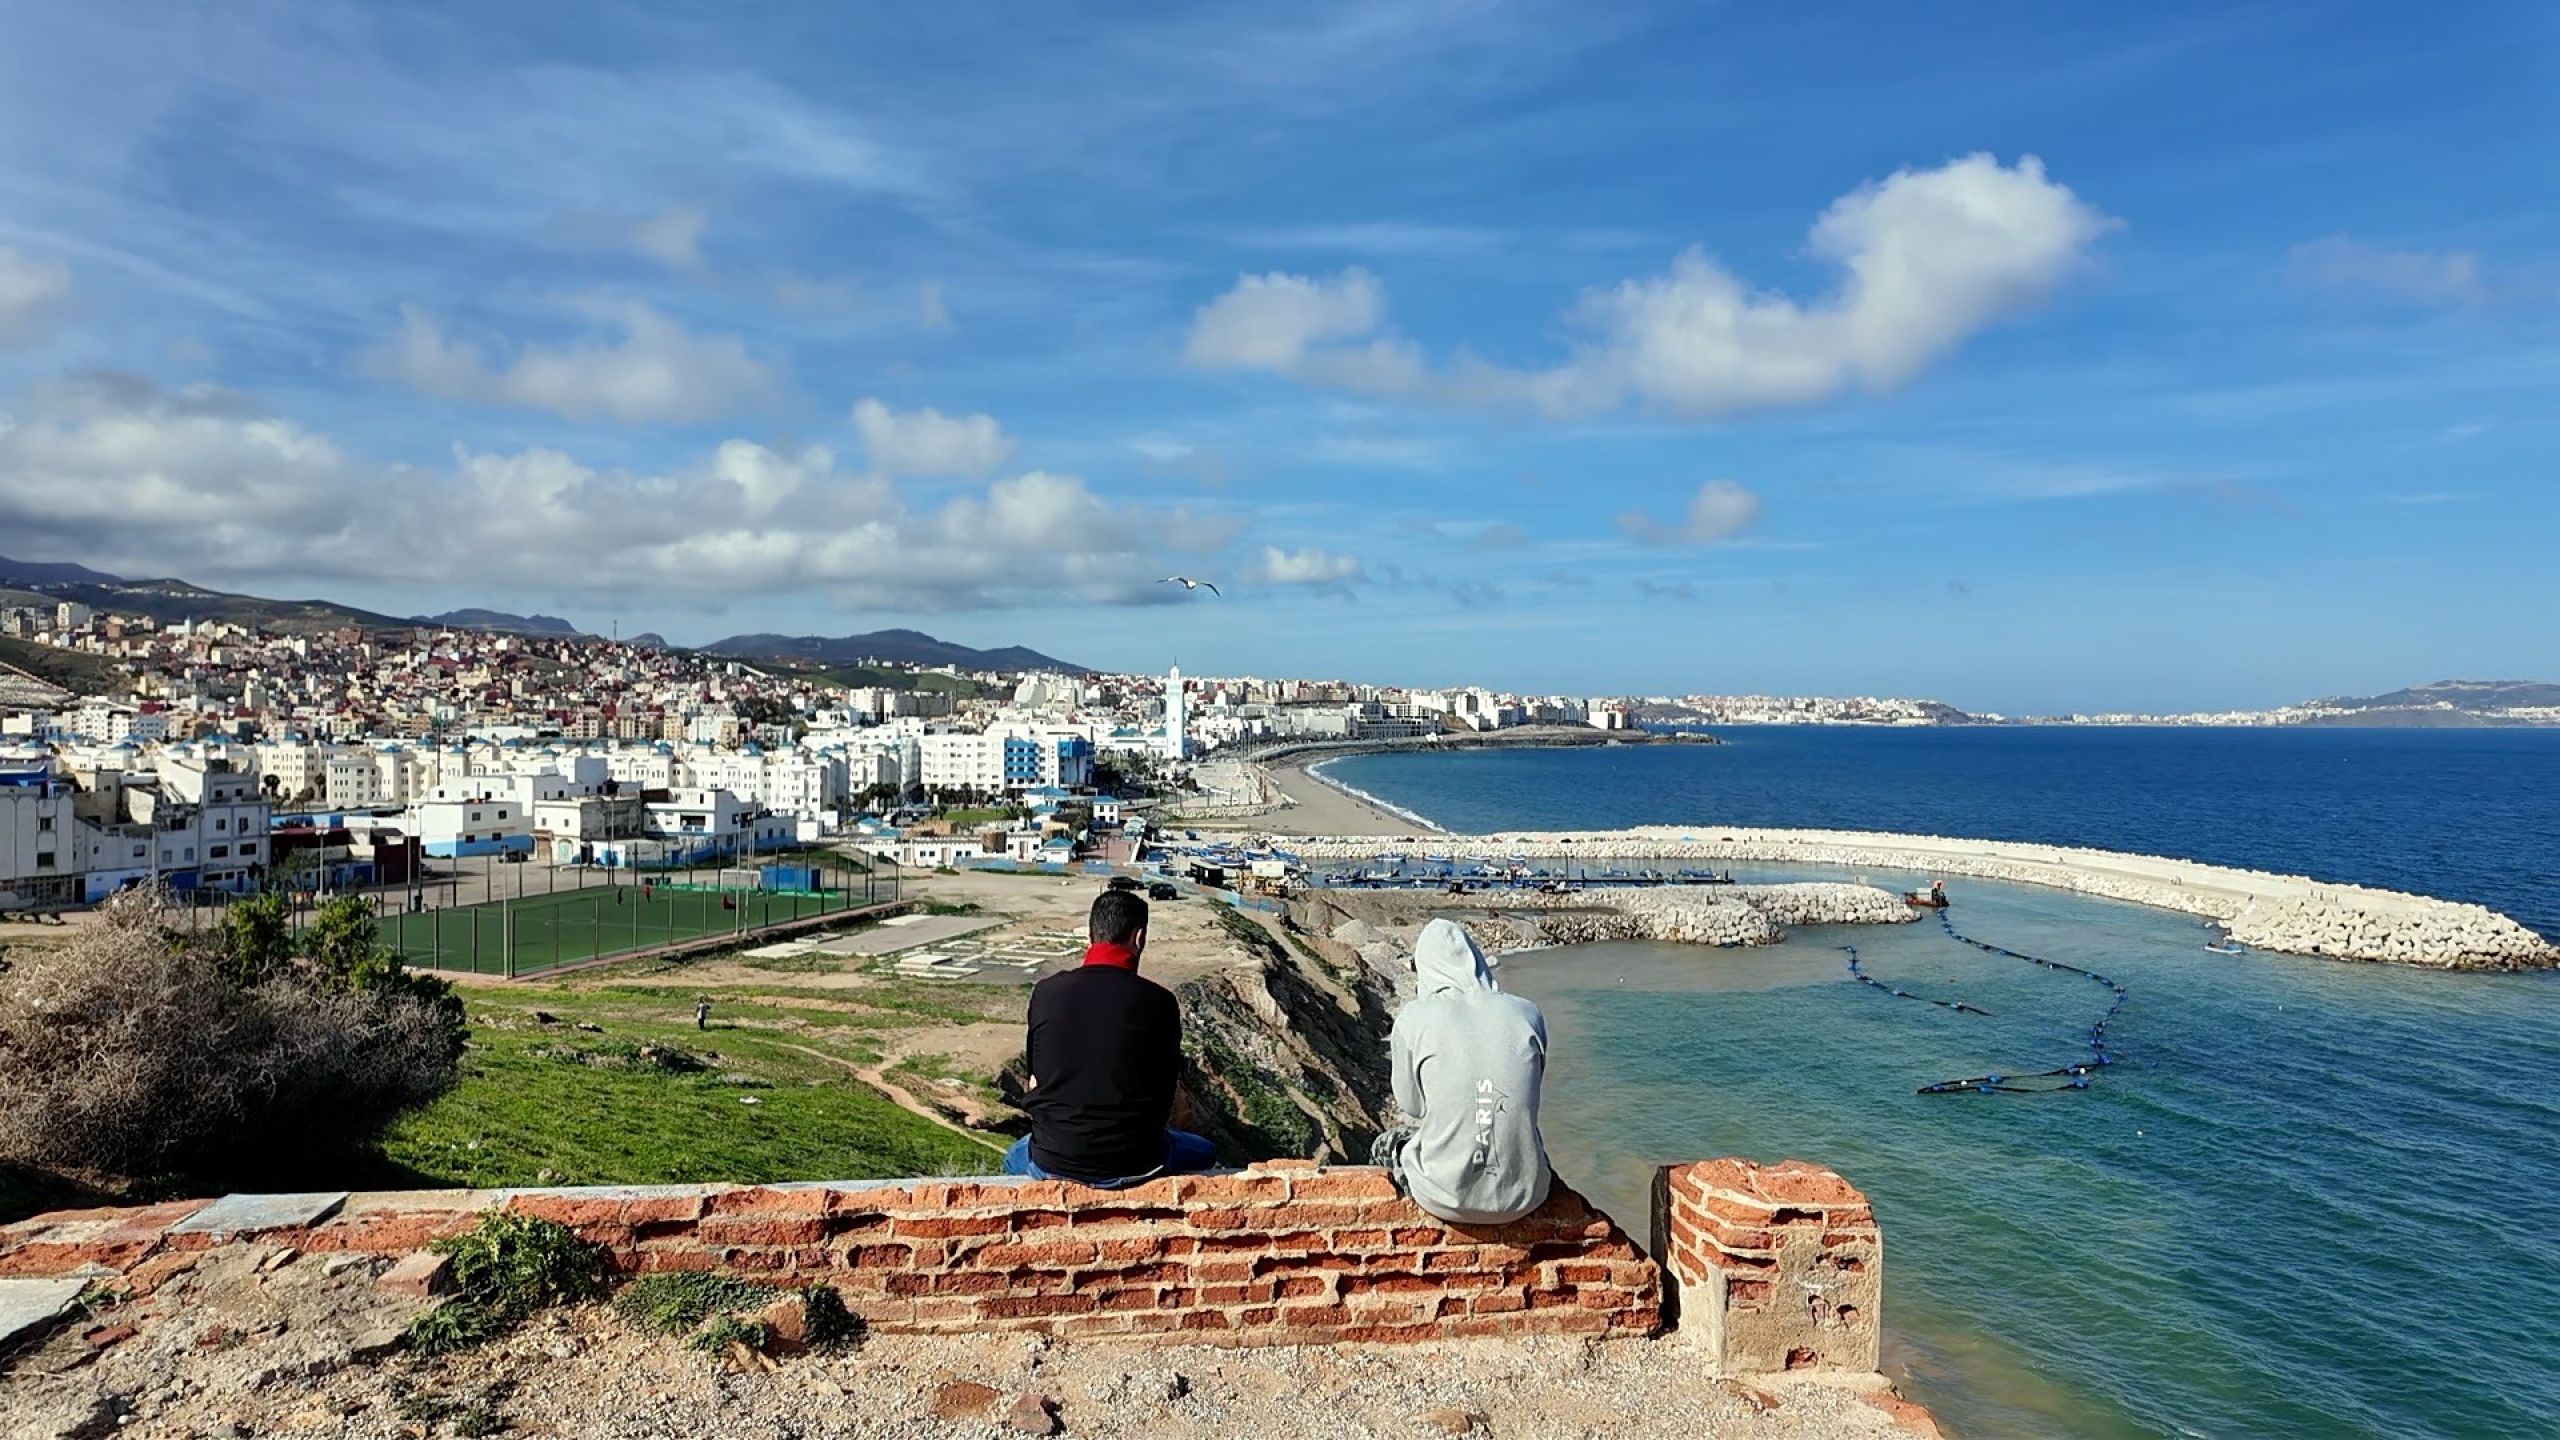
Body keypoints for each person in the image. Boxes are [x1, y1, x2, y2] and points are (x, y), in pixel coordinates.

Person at [1005, 890, 1216, 1187]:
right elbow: (1164, 1091)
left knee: (1013, 1156)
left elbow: (1036, 1080)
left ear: (1090, 936)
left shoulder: (1047, 992)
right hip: (1137, 1162)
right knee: (1205, 1152)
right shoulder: (1160, 1002)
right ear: (1139, 938)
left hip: (1055, 1160)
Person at [1371, 919, 1551, 1225]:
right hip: (1526, 1197)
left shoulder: (1414, 1018)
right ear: (1477, 962)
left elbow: (1412, 1107)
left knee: (1385, 1145)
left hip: (1443, 1198)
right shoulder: (1527, 1012)